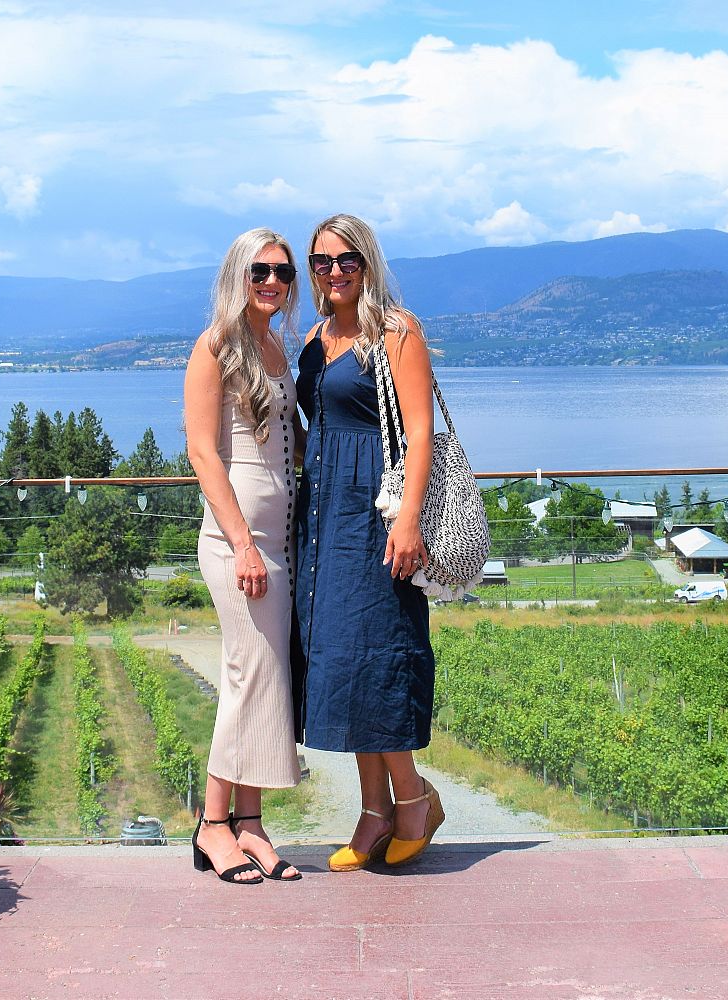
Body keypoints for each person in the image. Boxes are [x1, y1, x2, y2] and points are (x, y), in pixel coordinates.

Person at [292, 213, 446, 872]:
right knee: (344, 663)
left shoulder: (396, 330)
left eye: (345, 259)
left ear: (367, 261)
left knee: (377, 655)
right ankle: (376, 811)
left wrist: (407, 519)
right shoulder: (315, 336)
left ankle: (411, 801)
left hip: (376, 510)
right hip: (323, 516)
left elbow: (418, 429)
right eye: (322, 261)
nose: (333, 271)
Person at [183, 228, 305, 885]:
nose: (272, 281)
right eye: (260, 270)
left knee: (266, 682)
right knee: (246, 675)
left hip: (280, 546)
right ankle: (211, 825)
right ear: (238, 273)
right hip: (238, 546)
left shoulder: (276, 345)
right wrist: (240, 545)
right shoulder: (216, 347)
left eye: (283, 273)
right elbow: (204, 452)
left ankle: (252, 826)